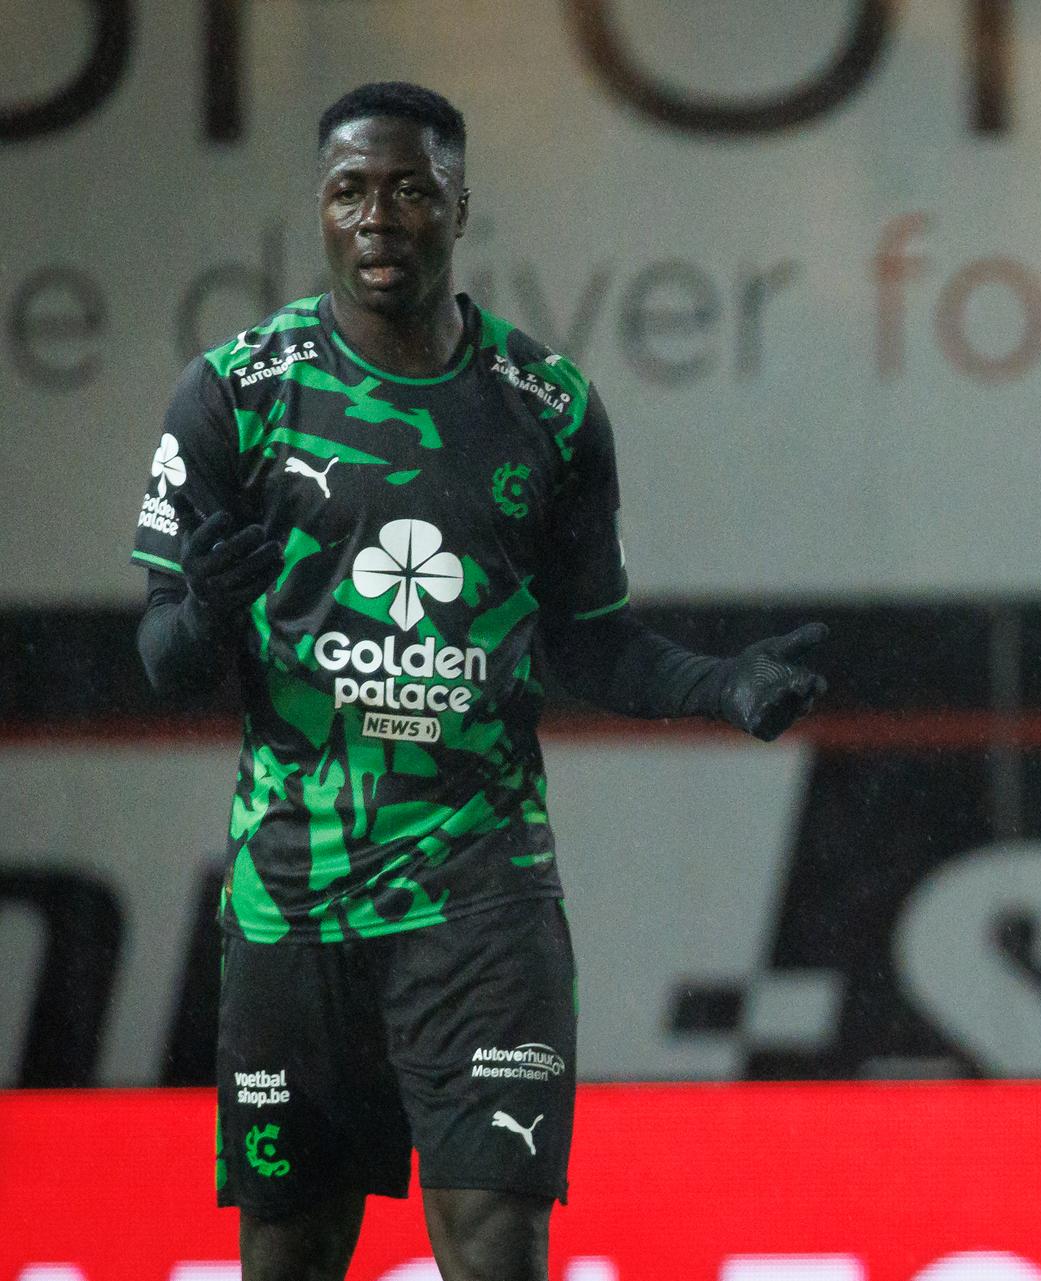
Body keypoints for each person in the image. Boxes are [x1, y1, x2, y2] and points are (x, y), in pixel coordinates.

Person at [131, 82, 828, 1281]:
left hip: (482, 893)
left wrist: (723, 688)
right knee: (291, 1250)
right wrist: (204, 607)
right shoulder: (235, 396)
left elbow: (589, 640)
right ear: (322, 208)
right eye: (351, 191)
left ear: (460, 201)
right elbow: (162, 663)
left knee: (497, 1239)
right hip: (293, 897)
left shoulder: (547, 409)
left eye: (409, 188)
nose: (379, 218)